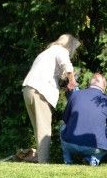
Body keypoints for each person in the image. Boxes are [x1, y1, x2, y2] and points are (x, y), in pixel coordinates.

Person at [22, 34, 80, 163]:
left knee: (38, 129)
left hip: (28, 89)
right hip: (40, 90)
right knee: (44, 130)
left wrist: (65, 79)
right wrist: (72, 81)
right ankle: (44, 162)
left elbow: (55, 72)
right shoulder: (61, 50)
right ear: (69, 45)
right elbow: (67, 66)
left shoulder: (46, 52)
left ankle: (40, 158)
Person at [60, 73, 107, 166]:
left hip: (70, 143)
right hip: (94, 147)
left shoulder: (75, 95)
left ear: (90, 83)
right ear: (104, 87)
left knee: (62, 126)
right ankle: (94, 159)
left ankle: (67, 160)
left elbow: (65, 119)